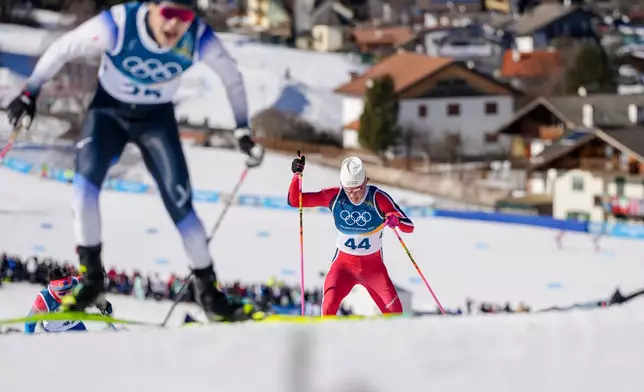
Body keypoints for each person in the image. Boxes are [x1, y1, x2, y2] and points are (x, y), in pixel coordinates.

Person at [5, 0, 264, 321]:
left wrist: (242, 128)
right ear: (152, 7)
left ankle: (210, 297)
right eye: (168, 14)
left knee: (182, 205)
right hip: (108, 113)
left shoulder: (198, 37)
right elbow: (64, 48)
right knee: (84, 189)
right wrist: (29, 92)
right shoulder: (118, 24)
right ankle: (91, 282)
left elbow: (232, 76)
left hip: (157, 121)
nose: (174, 26)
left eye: (184, 16)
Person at [287, 155, 414, 316]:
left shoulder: (378, 198)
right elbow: (294, 201)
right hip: (343, 268)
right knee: (328, 307)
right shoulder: (335, 196)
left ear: (365, 182)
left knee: (396, 313)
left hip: (373, 270)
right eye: (348, 190)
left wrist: (397, 221)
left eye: (358, 189)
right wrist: (297, 176)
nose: (353, 195)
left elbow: (409, 226)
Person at [24, 266, 113, 334]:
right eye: (62, 292)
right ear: (54, 290)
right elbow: (29, 324)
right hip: (55, 332)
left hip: (75, 324)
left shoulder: (76, 283)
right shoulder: (43, 300)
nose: (67, 294)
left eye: (69, 290)